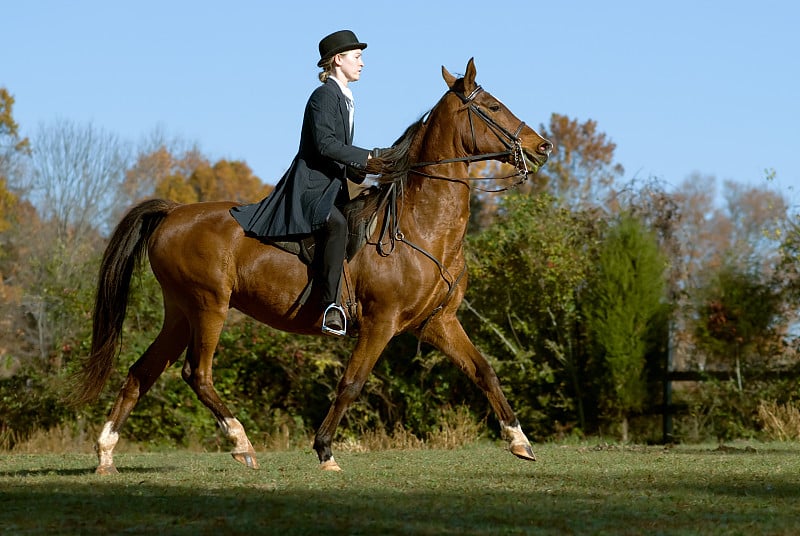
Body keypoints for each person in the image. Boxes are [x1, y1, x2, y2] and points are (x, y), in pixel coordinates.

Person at [230, 30, 380, 336]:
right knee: (337, 224)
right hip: (310, 189)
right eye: (357, 56)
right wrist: (369, 157)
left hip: (330, 187)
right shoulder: (324, 96)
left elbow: (338, 151)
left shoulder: (344, 98)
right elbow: (325, 145)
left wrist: (367, 170)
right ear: (338, 60)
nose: (362, 63)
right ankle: (330, 306)